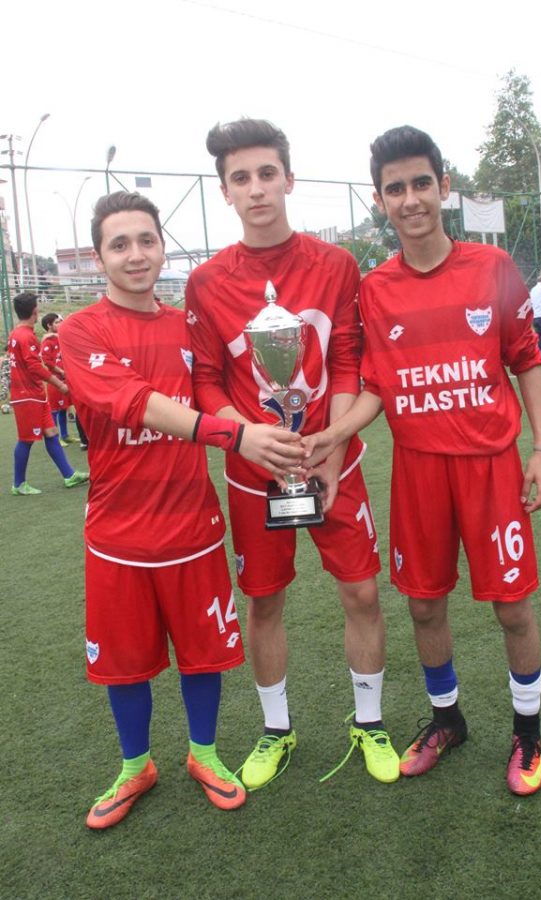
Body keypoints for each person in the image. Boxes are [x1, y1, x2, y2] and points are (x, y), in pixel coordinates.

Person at [302, 125, 541, 796]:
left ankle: (528, 733)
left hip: (491, 466)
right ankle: (448, 720)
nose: (410, 199)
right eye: (396, 189)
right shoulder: (375, 289)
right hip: (418, 471)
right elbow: (377, 386)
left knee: (512, 607)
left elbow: (526, 357)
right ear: (379, 199)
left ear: (444, 187)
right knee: (422, 606)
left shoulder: (491, 267)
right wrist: (333, 433)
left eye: (421, 183)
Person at [59, 191, 305, 829]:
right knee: (124, 664)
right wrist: (236, 436)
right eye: (119, 244)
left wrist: (277, 432)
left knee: (205, 654)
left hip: (194, 527)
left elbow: (219, 387)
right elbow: (134, 402)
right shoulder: (81, 330)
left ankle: (205, 755)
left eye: (146, 240)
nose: (135, 255)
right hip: (117, 535)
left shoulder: (186, 326)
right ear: (99, 257)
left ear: (162, 247)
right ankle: (134, 766)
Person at [185, 118, 397, 790]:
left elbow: (347, 358)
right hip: (257, 472)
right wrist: (246, 435)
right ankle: (276, 729)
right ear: (225, 191)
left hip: (335, 462)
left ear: (289, 179)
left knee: (362, 591)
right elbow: (206, 380)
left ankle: (369, 722)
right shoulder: (207, 281)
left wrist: (334, 444)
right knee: (264, 599)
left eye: (266, 174)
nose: (256, 189)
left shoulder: (335, 265)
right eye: (241, 178)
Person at [8, 292, 89, 495]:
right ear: (35, 311)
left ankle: (69, 475)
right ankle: (18, 484)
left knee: (52, 433)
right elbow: (35, 367)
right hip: (27, 396)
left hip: (34, 393)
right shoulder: (26, 336)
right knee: (26, 439)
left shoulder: (17, 333)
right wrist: (60, 384)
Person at [40, 313, 75, 445]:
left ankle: (64, 435)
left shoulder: (59, 338)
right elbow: (47, 362)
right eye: (57, 322)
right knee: (54, 410)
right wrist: (61, 371)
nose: (60, 324)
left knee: (64, 408)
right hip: (55, 380)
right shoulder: (47, 342)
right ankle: (55, 439)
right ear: (49, 325)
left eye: (60, 321)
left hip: (65, 378)